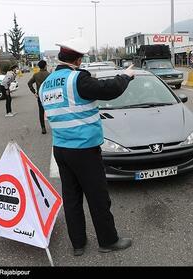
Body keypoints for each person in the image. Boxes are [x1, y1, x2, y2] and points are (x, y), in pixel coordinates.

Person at [39, 37, 135, 256]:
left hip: (61, 149)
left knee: (72, 199)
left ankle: (78, 244)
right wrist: (126, 76)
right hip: (83, 150)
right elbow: (109, 89)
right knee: (98, 197)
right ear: (79, 60)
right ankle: (108, 241)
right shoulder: (78, 79)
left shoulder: (46, 84)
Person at [27, 60, 50, 134]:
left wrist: (34, 92)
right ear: (45, 65)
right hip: (49, 96)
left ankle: (43, 128)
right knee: (51, 111)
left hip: (40, 96)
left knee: (41, 112)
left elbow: (29, 83)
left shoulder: (36, 75)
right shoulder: (49, 74)